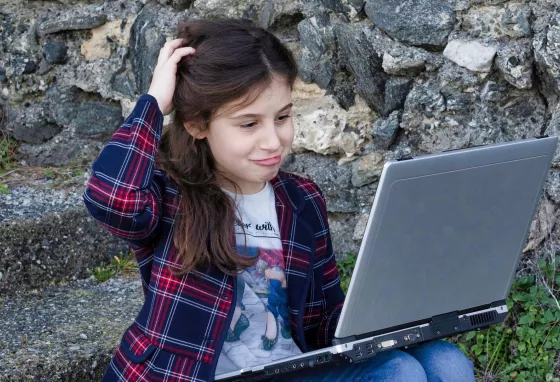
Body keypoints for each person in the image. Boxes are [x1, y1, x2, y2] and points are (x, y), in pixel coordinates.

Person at [82, 18, 475, 382]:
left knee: (446, 362)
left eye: (283, 117)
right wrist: (153, 103)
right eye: (249, 123)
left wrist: (392, 315)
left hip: (289, 368)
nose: (273, 142)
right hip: (196, 375)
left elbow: (323, 321)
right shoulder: (171, 195)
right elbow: (112, 198)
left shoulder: (300, 199)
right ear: (198, 125)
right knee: (398, 375)